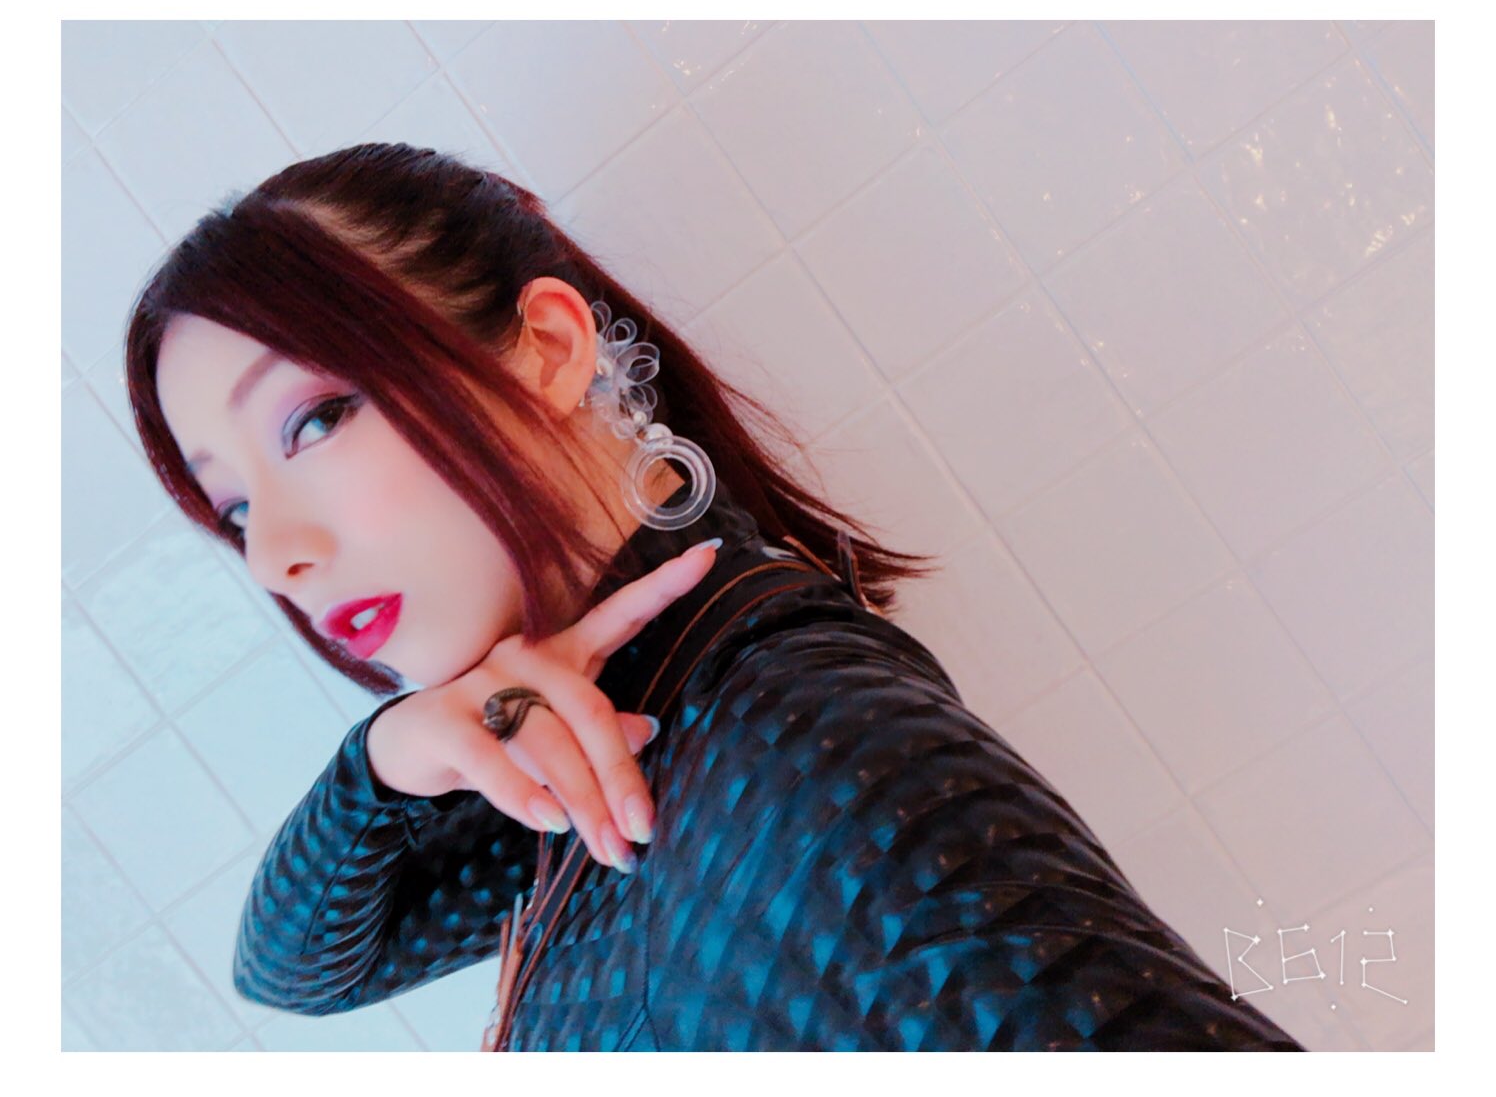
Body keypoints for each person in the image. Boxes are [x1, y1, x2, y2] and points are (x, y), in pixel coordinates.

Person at [123, 142, 1305, 1051]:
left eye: (315, 420)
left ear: (547, 351)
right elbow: (297, 968)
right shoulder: (607, 734)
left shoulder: (810, 750)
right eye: (234, 509)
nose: (273, 555)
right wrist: (386, 762)